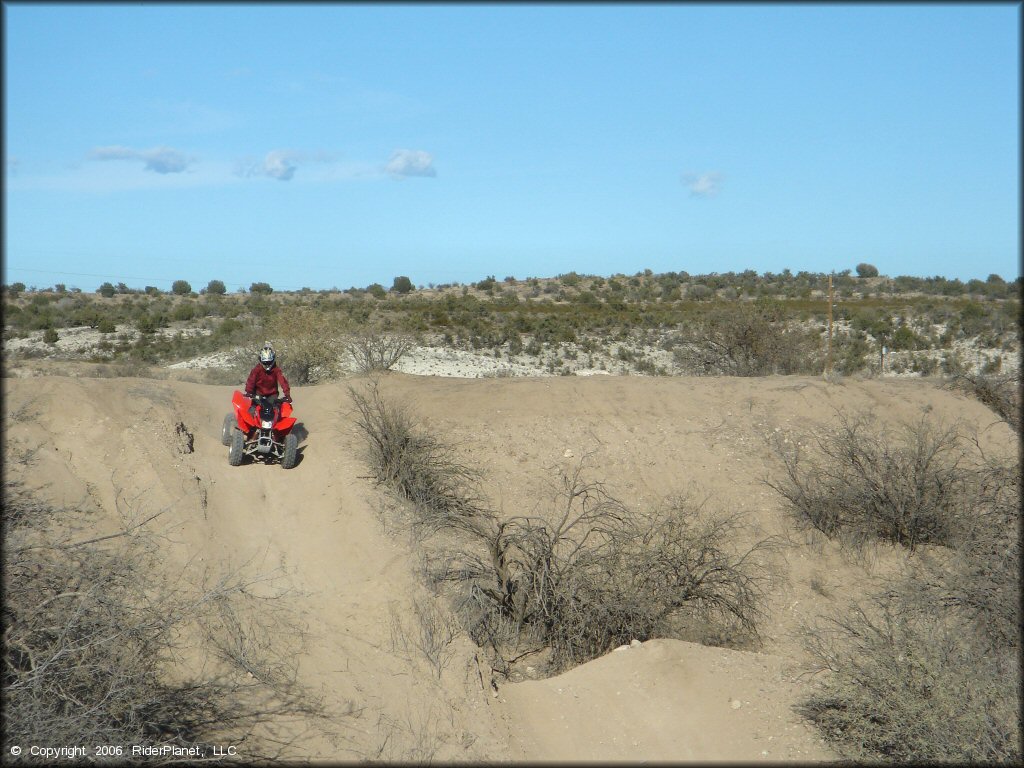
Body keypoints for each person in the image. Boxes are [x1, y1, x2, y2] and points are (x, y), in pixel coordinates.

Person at [244, 343, 291, 417]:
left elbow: (283, 382)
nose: (267, 365)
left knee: (276, 411)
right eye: (265, 363)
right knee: (251, 411)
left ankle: (275, 427)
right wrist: (249, 392)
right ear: (261, 360)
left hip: (272, 394)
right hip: (258, 394)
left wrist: (287, 394)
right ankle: (251, 428)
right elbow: (251, 381)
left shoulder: (276, 370)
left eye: (269, 362)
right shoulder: (256, 370)